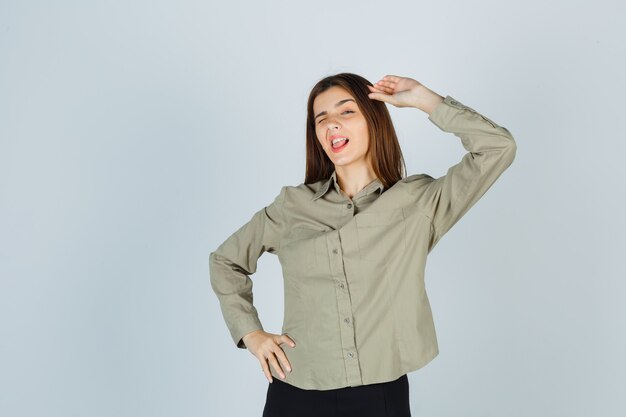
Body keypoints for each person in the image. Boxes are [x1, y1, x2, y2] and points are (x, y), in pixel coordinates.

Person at [209, 72, 517, 417]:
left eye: (346, 112)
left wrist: (422, 98)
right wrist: (250, 333)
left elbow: (497, 148)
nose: (331, 125)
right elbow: (225, 261)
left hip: (379, 397)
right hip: (295, 390)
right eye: (321, 119)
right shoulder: (292, 206)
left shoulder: (418, 203)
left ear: (374, 120)